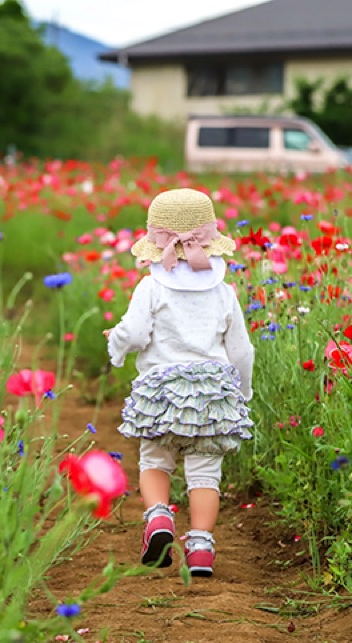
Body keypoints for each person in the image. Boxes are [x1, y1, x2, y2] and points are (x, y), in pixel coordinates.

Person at [104, 188, 254, 577]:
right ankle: (201, 547)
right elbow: (241, 351)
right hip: (211, 396)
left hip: (161, 392)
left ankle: (158, 518)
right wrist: (241, 392)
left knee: (155, 459)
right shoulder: (224, 293)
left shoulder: (151, 288)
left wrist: (116, 344)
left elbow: (134, 333)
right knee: (205, 473)